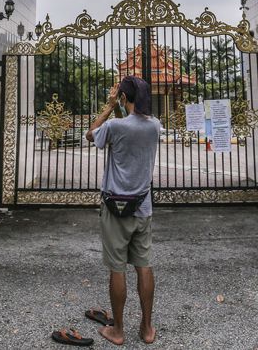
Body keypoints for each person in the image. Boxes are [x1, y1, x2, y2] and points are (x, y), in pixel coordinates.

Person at [85, 76, 161, 346]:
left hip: (116, 209)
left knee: (117, 269)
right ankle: (147, 327)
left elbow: (91, 134)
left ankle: (118, 330)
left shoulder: (115, 126)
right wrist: (121, 105)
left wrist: (108, 106)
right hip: (143, 207)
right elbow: (129, 122)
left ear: (123, 98)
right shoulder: (155, 126)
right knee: (144, 266)